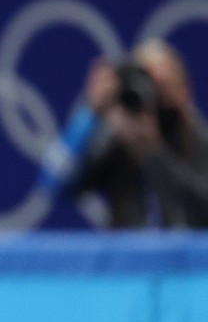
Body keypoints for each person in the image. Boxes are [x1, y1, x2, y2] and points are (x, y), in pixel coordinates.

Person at [69, 38, 208, 228]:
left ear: (184, 90)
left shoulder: (196, 139)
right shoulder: (119, 138)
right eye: (149, 86)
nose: (155, 102)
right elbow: (59, 186)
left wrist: (154, 151)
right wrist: (89, 113)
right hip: (128, 256)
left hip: (188, 256)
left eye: (163, 88)